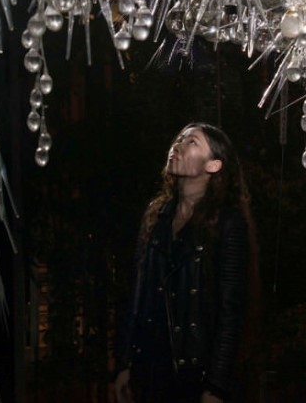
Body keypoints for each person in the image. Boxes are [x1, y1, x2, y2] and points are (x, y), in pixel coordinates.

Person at [113, 123, 257, 403]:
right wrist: (123, 363)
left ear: (214, 165)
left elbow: (231, 310)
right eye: (179, 138)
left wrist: (216, 386)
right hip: (150, 370)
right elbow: (138, 294)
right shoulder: (156, 215)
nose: (177, 145)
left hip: (194, 373)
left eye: (192, 142)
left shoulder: (228, 222)